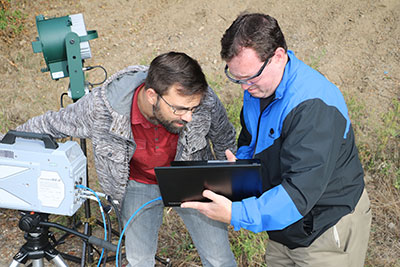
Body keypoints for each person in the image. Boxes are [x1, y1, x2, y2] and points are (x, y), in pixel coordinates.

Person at [182, 13, 372, 267]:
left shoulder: (314, 108)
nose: (244, 88)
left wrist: (236, 213)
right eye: (236, 78)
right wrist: (242, 164)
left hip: (325, 229)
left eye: (249, 78)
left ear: (278, 57)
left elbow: (298, 194)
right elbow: (251, 136)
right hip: (283, 226)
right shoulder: (259, 85)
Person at [14, 52, 237, 267]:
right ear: (152, 96)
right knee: (139, 260)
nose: (189, 116)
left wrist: (233, 181)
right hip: (138, 185)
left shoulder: (203, 100)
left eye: (193, 108)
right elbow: (51, 124)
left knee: (219, 258)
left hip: (190, 179)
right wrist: (8, 144)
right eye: (179, 109)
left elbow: (224, 138)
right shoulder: (102, 107)